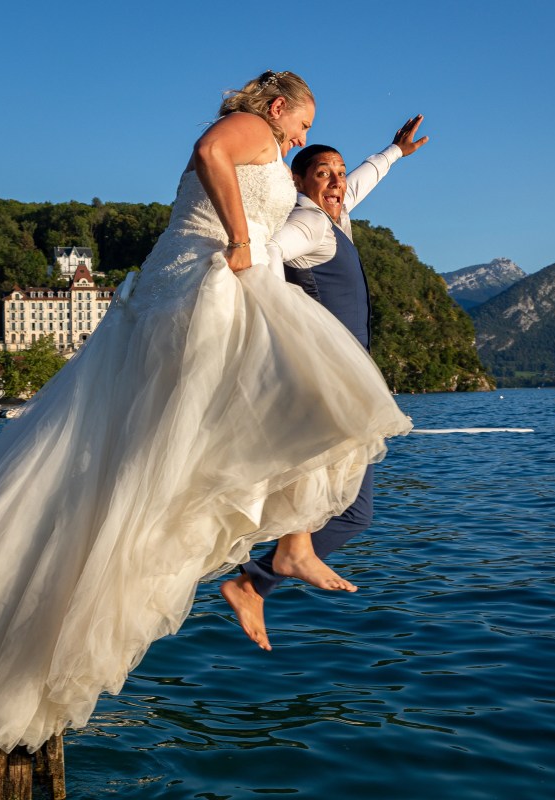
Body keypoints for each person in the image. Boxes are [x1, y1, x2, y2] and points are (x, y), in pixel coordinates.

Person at [0, 71, 412, 756]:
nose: (302, 139)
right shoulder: (254, 129)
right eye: (304, 126)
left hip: (213, 279)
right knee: (324, 404)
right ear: (279, 107)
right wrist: (244, 241)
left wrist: (392, 155)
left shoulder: (283, 162)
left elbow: (336, 190)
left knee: (280, 418)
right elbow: (208, 152)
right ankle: (286, 549)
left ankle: (290, 544)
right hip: (212, 279)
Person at [221, 117, 428, 650]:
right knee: (349, 507)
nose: (337, 182)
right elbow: (269, 252)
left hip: (344, 378)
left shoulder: (335, 214)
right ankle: (263, 574)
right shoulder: (308, 226)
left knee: (345, 505)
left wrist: (395, 152)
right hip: (327, 376)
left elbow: (357, 183)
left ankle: (264, 574)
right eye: (323, 174)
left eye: (338, 173)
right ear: (299, 183)